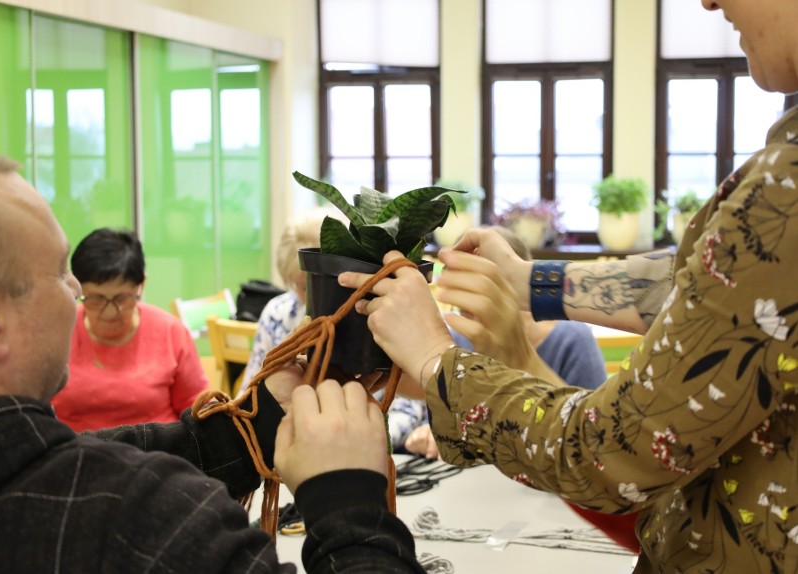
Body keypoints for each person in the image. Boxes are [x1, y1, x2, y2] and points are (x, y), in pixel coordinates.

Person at [340, 2, 798, 570]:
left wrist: (438, 362)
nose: (708, 1)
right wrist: (529, 281)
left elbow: (613, 454)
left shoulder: (786, 189)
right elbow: (710, 281)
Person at [0, 147, 423, 573]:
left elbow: (54, 460)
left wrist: (248, 429)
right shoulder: (148, 526)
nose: (74, 291)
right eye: (58, 271)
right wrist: (350, 506)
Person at [391, 226, 607, 459]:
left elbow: (592, 442)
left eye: (475, 282)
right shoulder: (457, 337)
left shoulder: (572, 340)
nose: (465, 296)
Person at [50, 227, 210, 432]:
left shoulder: (170, 332)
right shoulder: (59, 331)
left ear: (141, 286)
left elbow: (198, 408)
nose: (109, 313)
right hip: (78, 456)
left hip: (156, 456)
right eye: (96, 299)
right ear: (77, 288)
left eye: (121, 298)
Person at [239, 209, 335, 394]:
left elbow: (400, 403)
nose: (313, 297)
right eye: (303, 287)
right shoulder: (276, 313)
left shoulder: (364, 312)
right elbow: (249, 391)